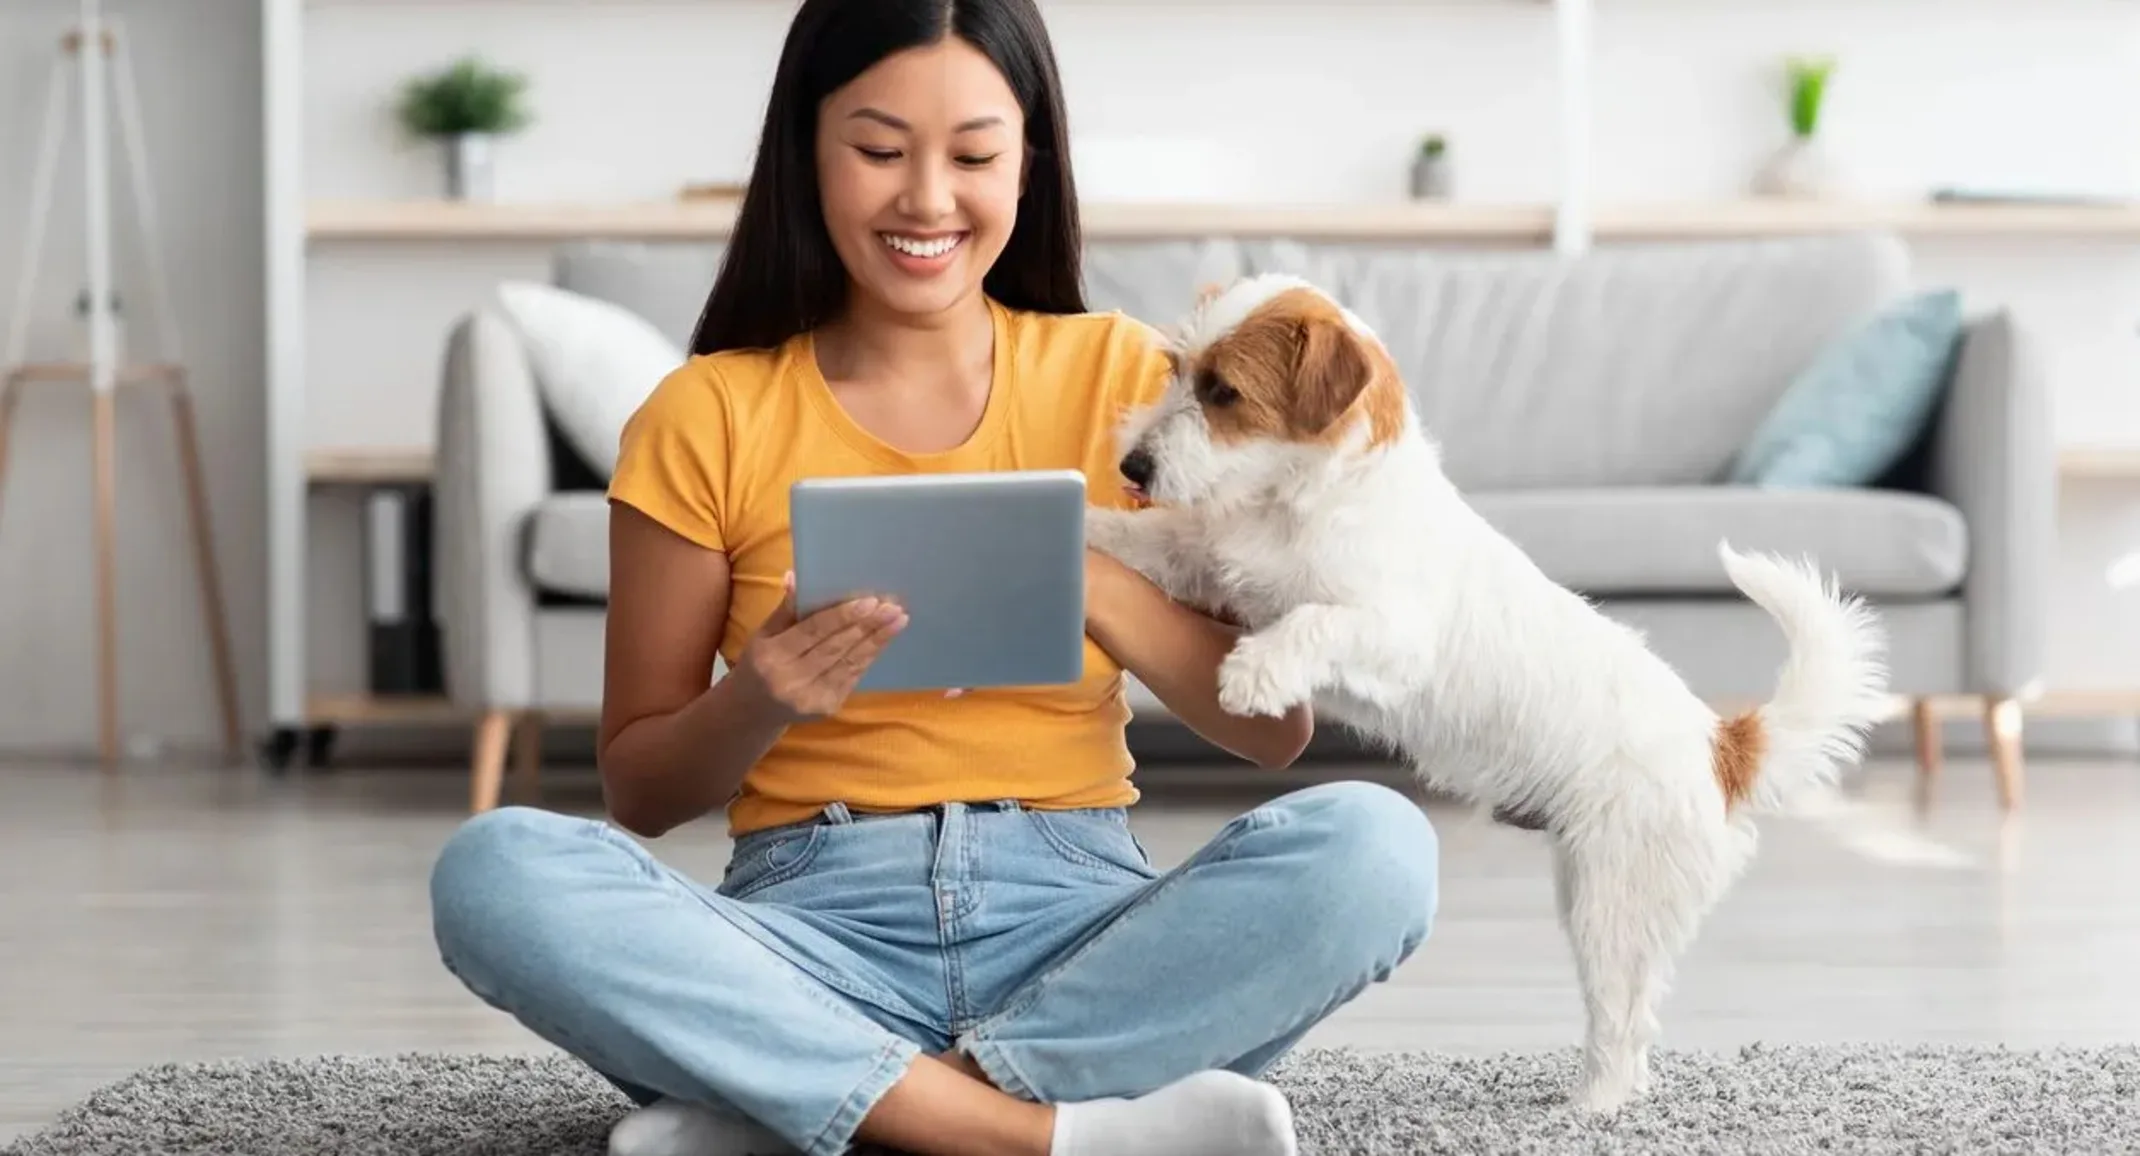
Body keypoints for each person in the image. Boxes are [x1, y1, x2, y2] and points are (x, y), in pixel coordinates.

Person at [426, 1, 1440, 1154]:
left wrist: (1099, 589)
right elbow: (642, 791)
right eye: (876, 149)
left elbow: (1273, 731)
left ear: (1028, 163)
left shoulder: (1133, 383)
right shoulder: (703, 412)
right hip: (810, 926)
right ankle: (1043, 1131)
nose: (925, 198)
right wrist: (762, 693)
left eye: (971, 155)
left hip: (1082, 922)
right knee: (497, 869)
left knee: (1377, 845)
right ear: (805, 153)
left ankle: (819, 1102)